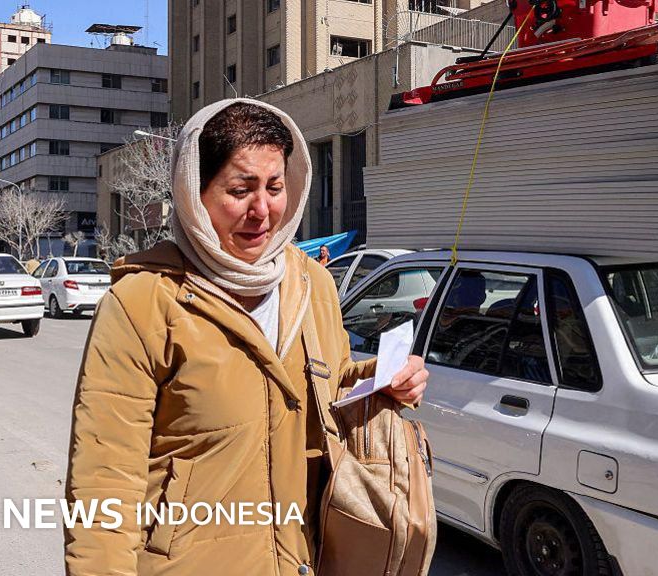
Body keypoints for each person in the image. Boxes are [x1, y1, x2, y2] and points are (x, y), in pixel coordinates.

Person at [64, 99, 429, 576]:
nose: (262, 210)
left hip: (301, 559)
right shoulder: (142, 302)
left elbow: (330, 388)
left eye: (274, 187)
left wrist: (384, 380)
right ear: (193, 192)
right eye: (240, 190)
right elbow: (104, 481)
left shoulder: (312, 284)